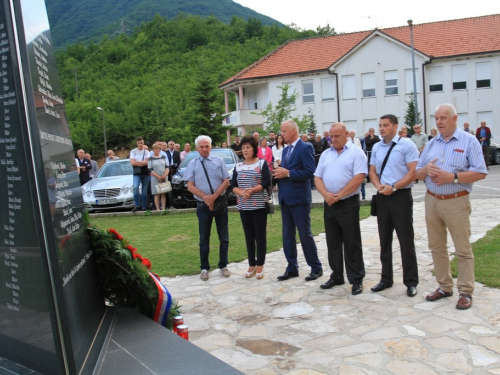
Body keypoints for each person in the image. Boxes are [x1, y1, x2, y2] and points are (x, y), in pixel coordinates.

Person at [416, 103, 487, 310]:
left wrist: (452, 177)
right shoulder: (431, 144)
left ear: (454, 119)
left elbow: (480, 172)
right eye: (437, 118)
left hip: (456, 200)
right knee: (437, 247)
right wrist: (426, 170)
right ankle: (444, 286)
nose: (439, 122)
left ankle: (465, 291)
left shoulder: (469, 141)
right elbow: (417, 173)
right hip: (432, 200)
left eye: (443, 118)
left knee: (462, 249)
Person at [369, 114, 419, 297]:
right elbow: (372, 171)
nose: (381, 128)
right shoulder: (376, 147)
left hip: (401, 196)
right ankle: (386, 278)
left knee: (406, 240)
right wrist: (379, 186)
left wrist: (395, 187)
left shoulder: (407, 145)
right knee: (384, 240)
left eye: (386, 125)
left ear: (395, 127)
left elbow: (413, 172)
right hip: (383, 196)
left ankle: (411, 281)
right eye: (380, 125)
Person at [315, 123, 367, 295]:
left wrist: (339, 194)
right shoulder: (325, 154)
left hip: (347, 202)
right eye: (331, 136)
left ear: (346, 134)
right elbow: (317, 177)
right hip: (329, 203)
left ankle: (356, 278)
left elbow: (359, 177)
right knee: (333, 241)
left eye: (337, 136)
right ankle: (337, 275)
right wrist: (326, 195)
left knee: (352, 242)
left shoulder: (355, 153)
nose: (334, 139)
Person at [273, 120, 323, 281]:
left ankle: (316, 267)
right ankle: (292, 267)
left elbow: (310, 172)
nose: (282, 134)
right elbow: (287, 171)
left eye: (284, 131)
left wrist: (287, 173)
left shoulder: (305, 147)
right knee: (287, 235)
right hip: (285, 198)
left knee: (304, 234)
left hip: (300, 199)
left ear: (294, 131)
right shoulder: (286, 150)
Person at [185, 135, 231, 280]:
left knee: (224, 236)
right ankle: (204, 268)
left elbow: (226, 180)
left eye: (207, 146)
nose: (204, 149)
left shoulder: (219, 161)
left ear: (211, 147)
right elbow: (190, 186)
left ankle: (223, 265)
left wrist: (214, 197)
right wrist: (207, 199)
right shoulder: (192, 163)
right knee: (204, 238)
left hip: (220, 204)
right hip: (203, 206)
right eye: (202, 147)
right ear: (197, 148)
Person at [230, 136, 271, 280]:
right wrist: (241, 192)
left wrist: (252, 190)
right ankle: (251, 264)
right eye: (243, 147)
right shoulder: (238, 166)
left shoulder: (261, 163)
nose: (245, 150)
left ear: (254, 148)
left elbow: (267, 180)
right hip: (243, 205)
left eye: (248, 147)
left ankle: (260, 264)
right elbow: (233, 185)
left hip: (258, 205)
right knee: (248, 236)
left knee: (260, 236)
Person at [130, 137, 150, 212]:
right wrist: (142, 163)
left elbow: (148, 162)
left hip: (145, 173)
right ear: (137, 143)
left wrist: (137, 162)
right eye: (139, 143)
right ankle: (137, 205)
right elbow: (132, 163)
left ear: (143, 143)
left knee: (144, 190)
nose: (140, 144)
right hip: (137, 173)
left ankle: (144, 206)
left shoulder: (147, 152)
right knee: (135, 187)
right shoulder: (133, 151)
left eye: (141, 143)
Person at [148, 142, 170, 211]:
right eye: (155, 149)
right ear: (153, 150)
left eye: (158, 149)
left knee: (163, 193)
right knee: (157, 193)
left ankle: (163, 208)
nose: (157, 150)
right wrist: (158, 176)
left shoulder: (163, 157)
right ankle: (157, 209)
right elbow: (150, 169)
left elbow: (167, 167)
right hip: (155, 178)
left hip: (164, 177)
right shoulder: (150, 159)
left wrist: (165, 175)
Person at [350, 130, 366, 200]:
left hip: (358, 158)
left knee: (362, 182)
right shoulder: (347, 141)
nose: (352, 134)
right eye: (351, 133)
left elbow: (360, 148)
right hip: (351, 158)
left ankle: (363, 196)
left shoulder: (357, 140)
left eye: (353, 133)